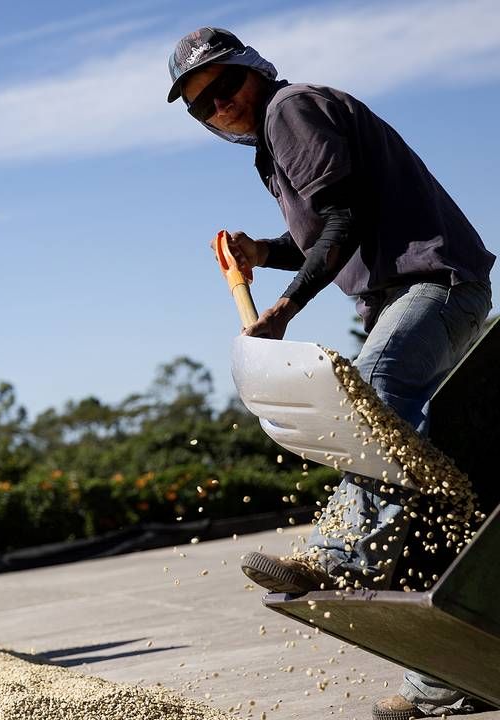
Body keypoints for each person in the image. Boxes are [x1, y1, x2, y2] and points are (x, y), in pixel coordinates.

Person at [166, 27, 494, 720]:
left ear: (254, 70)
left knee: (371, 396)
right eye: (203, 106)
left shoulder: (291, 110)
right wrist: (268, 250)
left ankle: (342, 555)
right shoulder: (274, 148)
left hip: (436, 285)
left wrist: (283, 307)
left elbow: (343, 218)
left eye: (226, 86)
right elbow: (329, 231)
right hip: (401, 297)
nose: (221, 105)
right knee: (428, 479)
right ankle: (444, 680)